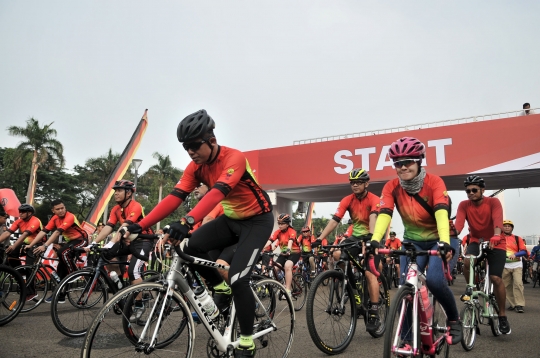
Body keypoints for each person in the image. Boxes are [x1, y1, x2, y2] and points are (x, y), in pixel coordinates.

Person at [125, 109, 274, 357]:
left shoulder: (233, 158)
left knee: (238, 278)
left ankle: (246, 340)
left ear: (212, 141)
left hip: (258, 221)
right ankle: (220, 288)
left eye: (195, 145)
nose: (191, 151)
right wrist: (141, 225)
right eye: (186, 147)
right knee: (189, 248)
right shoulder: (195, 168)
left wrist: (187, 221)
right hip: (231, 219)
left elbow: (217, 193)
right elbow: (174, 197)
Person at [368, 137, 462, 345]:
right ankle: (407, 339)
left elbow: (441, 212)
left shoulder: (435, 182)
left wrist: (445, 241)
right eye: (398, 163)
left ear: (419, 160)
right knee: (406, 286)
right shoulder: (391, 186)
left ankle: (454, 320)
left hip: (441, 238)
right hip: (413, 242)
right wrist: (375, 240)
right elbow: (385, 213)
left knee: (436, 281)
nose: (402, 167)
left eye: (408, 162)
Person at [317, 168, 382, 333]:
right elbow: (334, 221)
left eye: (359, 183)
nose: (355, 185)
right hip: (355, 237)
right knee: (339, 256)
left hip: (372, 236)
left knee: (369, 273)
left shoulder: (375, 199)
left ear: (366, 183)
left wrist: (372, 239)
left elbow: (374, 218)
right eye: (352, 183)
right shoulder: (347, 200)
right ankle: (352, 290)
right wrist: (319, 239)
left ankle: (374, 311)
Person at [86, 179, 154, 322]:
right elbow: (108, 227)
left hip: (143, 241)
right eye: (115, 191)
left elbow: (123, 228)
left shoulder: (136, 206)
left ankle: (139, 305)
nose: (115, 193)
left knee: (133, 271)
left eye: (119, 191)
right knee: (107, 255)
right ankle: (120, 288)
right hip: (128, 241)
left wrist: (110, 243)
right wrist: (94, 243)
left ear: (128, 193)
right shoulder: (115, 209)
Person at [455, 175, 510, 334]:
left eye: (474, 190)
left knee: (496, 278)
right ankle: (470, 288)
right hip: (476, 241)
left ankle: (502, 316)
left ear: (482, 190)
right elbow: (459, 225)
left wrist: (496, 234)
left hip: (496, 242)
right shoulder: (464, 205)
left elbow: (498, 220)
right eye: (468, 191)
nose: (470, 193)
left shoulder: (493, 202)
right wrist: (452, 232)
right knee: (467, 262)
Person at [28, 199, 88, 302]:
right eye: (58, 209)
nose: (61, 211)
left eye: (62, 208)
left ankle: (74, 273)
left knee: (62, 252)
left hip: (81, 240)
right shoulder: (54, 218)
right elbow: (44, 231)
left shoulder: (70, 216)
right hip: (70, 242)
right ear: (53, 210)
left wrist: (45, 246)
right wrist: (30, 245)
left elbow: (56, 233)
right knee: (60, 269)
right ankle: (59, 296)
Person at [0, 204, 43, 301]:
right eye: (20, 212)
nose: (20, 214)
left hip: (38, 244)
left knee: (29, 265)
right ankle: (20, 273)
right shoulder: (19, 221)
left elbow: (24, 235)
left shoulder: (35, 221)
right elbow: (7, 233)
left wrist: (14, 245)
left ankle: (32, 292)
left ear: (30, 213)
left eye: (23, 212)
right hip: (26, 243)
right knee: (10, 253)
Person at [263, 214, 300, 294]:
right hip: (283, 253)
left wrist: (288, 249)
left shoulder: (292, 231)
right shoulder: (278, 232)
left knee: (287, 266)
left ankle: (288, 290)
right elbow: (270, 241)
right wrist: (262, 248)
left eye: (282, 223)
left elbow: (290, 241)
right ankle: (281, 284)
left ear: (287, 224)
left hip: (294, 252)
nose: (279, 225)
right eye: (278, 223)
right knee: (274, 269)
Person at [501, 220, 527, 313]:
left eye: (509, 226)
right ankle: (513, 304)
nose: (507, 227)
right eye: (505, 226)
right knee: (505, 286)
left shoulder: (517, 238)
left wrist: (515, 255)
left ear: (512, 228)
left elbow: (524, 251)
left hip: (517, 265)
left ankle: (519, 304)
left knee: (518, 284)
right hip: (504, 265)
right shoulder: (499, 238)